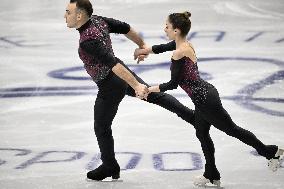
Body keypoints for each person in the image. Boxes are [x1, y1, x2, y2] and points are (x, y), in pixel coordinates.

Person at [134, 11, 284, 187]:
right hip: (204, 97)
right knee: (202, 133)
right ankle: (211, 173)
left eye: (167, 26)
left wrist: (147, 89)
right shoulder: (184, 44)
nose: (164, 28)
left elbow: (173, 84)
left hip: (206, 101)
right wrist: (145, 50)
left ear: (176, 30)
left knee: (231, 129)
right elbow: (161, 48)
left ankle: (270, 152)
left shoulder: (179, 53)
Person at [64, 0, 196, 181]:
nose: (65, 16)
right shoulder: (98, 20)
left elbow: (113, 64)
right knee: (154, 96)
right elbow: (126, 28)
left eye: (68, 12)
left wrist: (135, 85)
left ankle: (109, 165)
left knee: (101, 127)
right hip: (120, 75)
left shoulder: (88, 41)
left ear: (79, 15)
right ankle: (193, 117)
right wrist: (142, 46)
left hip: (110, 83)